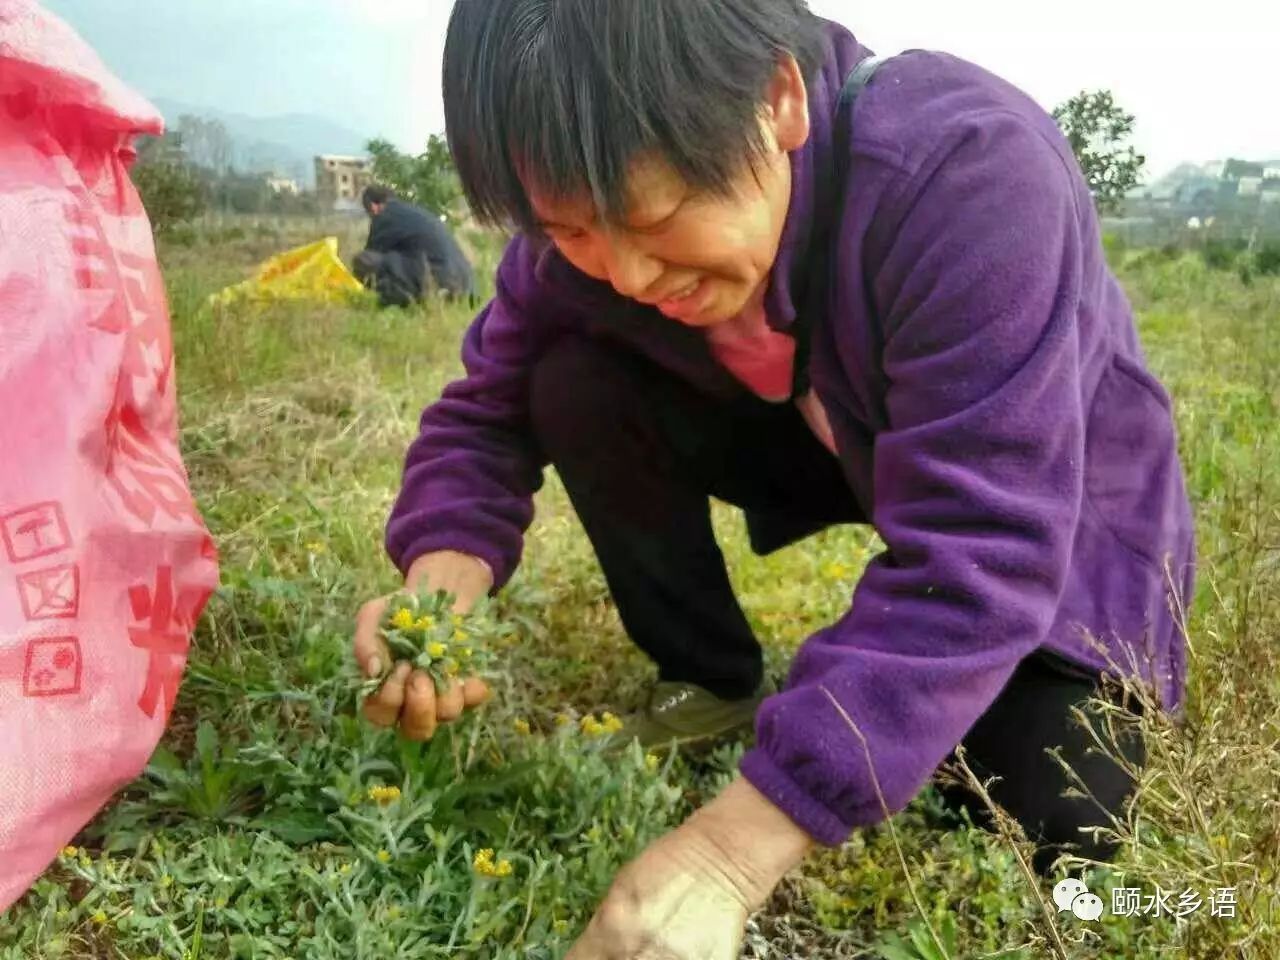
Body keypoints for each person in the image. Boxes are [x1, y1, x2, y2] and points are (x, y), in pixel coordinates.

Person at [351, 1, 1195, 955]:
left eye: (657, 215)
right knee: (569, 378)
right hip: (819, 434)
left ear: (779, 100)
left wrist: (724, 859)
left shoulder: (966, 172)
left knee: (1062, 823)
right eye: (573, 231)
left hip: (1050, 496)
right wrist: (440, 585)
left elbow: (985, 544)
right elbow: (489, 406)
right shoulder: (581, 240)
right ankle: (710, 675)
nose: (625, 273)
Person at [353, 185, 475, 307]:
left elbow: (372, 254)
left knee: (363, 261)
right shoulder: (414, 212)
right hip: (467, 286)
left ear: (373, 207)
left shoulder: (385, 216)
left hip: (440, 283)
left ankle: (396, 301)